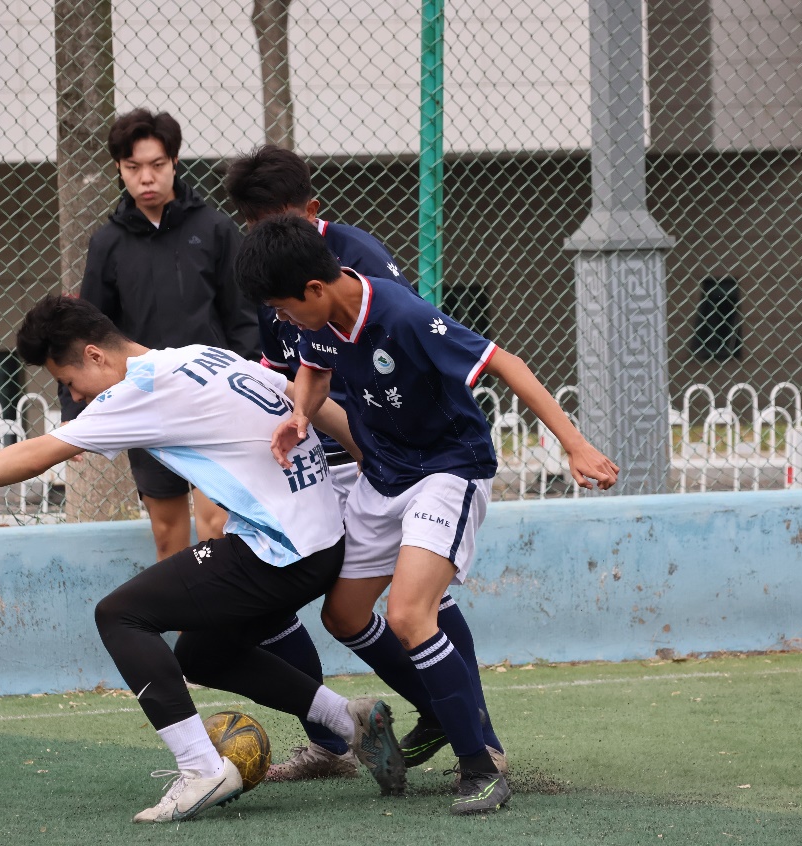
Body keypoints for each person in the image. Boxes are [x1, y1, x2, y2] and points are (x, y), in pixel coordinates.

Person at [0, 295, 405, 822]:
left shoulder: (139, 390)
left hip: (280, 550)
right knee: (201, 654)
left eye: (68, 381)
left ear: (94, 354)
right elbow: (302, 394)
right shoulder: (200, 355)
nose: (73, 395)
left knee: (120, 614)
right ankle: (349, 721)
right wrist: (367, 455)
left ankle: (201, 770)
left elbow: (36, 454)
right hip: (321, 540)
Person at [235, 215, 619, 815]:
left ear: (314, 288)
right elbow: (313, 367)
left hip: (447, 470)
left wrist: (575, 444)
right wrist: (301, 415)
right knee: (343, 616)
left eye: (284, 308)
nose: (282, 320)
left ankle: (480, 766)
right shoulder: (318, 319)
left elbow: (504, 362)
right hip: (383, 475)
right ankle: (441, 711)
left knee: (410, 615)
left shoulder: (402, 314)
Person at [225, 145, 508, 784]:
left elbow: (406, 356)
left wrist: (367, 446)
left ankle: (475, 738)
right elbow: (290, 368)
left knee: (417, 600)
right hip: (320, 451)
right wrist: (290, 423)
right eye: (253, 221)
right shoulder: (270, 277)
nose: (265, 230)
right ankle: (354, 734)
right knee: (333, 603)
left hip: (387, 454)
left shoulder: (357, 262)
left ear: (310, 210)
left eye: (279, 216)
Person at [65, 108, 260, 562]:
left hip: (213, 399)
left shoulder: (214, 229)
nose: (146, 177)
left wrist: (250, 384)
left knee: (218, 526)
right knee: (168, 536)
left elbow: (243, 317)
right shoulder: (107, 243)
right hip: (147, 398)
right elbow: (90, 330)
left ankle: (218, 612)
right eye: (133, 167)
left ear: (174, 161)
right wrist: (74, 410)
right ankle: (179, 610)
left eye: (156, 164)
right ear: (120, 168)